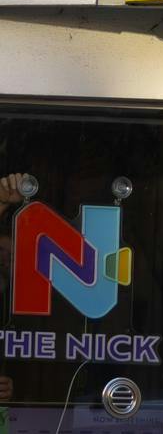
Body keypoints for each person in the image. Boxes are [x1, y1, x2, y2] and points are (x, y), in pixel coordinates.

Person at [0, 171, 28, 406]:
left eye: (13, 254)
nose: (6, 259)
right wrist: (1, 203)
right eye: (1, 251)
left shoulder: (30, 309)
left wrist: (12, 388)